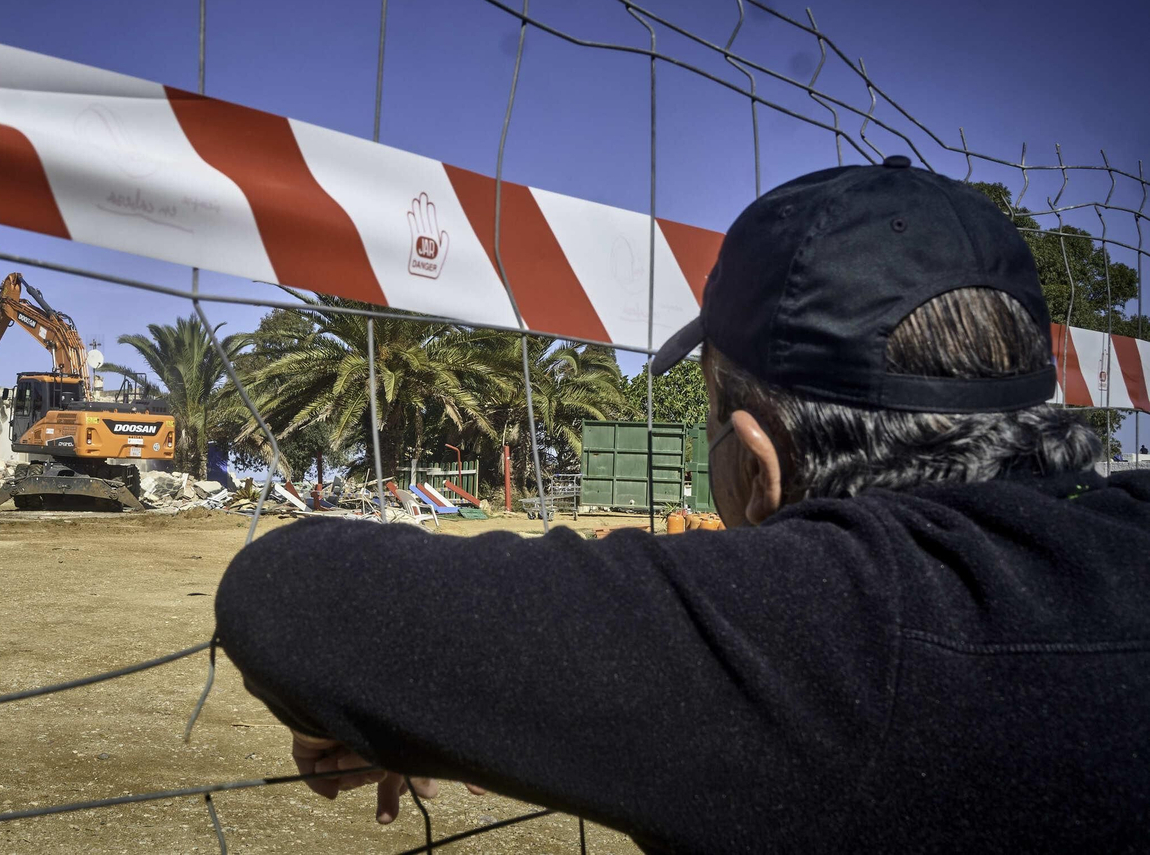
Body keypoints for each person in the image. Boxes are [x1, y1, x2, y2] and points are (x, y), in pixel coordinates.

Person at [214, 156, 1150, 852]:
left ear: (755, 464)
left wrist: (431, 703)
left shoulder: (833, 645)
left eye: (710, 406)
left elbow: (285, 594)